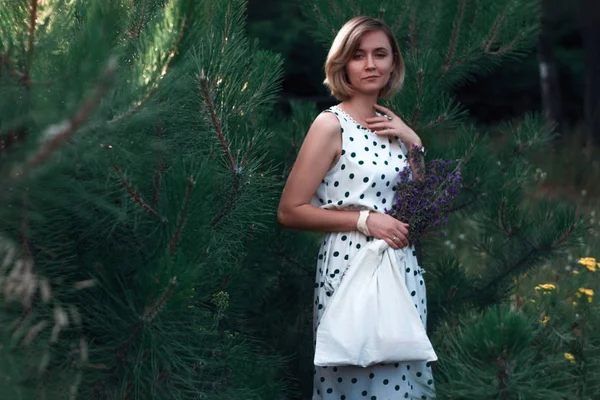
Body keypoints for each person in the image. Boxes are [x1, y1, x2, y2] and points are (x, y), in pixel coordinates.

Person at [277, 16, 435, 400]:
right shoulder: (329, 125)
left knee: (404, 383)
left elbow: (419, 208)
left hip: (401, 271)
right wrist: (364, 220)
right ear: (342, 64)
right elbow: (290, 210)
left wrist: (415, 146)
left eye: (380, 54)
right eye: (358, 55)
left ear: (393, 63)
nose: (370, 64)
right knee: (355, 381)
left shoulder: (393, 126)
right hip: (349, 271)